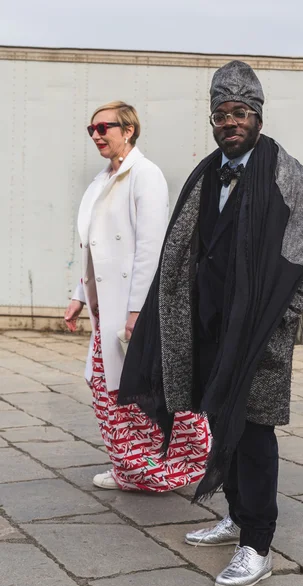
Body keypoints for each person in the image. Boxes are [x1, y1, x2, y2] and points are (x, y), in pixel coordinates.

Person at [118, 62, 303, 586]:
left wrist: (281, 318)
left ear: (256, 116)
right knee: (221, 421)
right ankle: (237, 516)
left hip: (258, 334)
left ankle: (257, 545)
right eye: (222, 115)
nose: (231, 122)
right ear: (212, 121)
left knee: (254, 431)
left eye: (240, 113)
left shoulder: (283, 169)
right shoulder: (208, 170)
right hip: (210, 326)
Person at [64, 101, 210, 492]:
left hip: (130, 307)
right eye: (91, 129)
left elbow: (152, 248)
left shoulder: (146, 175)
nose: (96, 134)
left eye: (104, 127)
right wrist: (79, 295)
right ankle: (130, 469)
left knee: (140, 394)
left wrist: (137, 311)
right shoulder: (103, 178)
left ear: (128, 130)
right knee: (108, 393)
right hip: (104, 307)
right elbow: (91, 247)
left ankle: (171, 469)